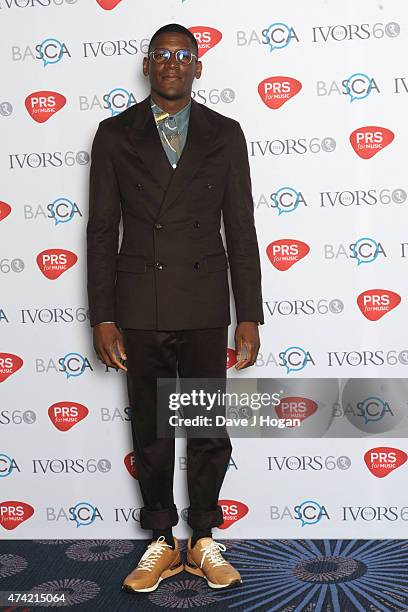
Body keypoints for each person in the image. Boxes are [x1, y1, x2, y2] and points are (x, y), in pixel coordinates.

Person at [86, 23, 264, 593]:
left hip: (206, 301)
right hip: (139, 304)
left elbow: (240, 227)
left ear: (198, 66)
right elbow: (101, 232)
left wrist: (249, 314)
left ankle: (205, 537)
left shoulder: (226, 133)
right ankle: (163, 541)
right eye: (161, 55)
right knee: (152, 432)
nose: (171, 63)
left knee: (208, 426)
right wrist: (103, 315)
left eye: (182, 54)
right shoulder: (114, 135)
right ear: (147, 65)